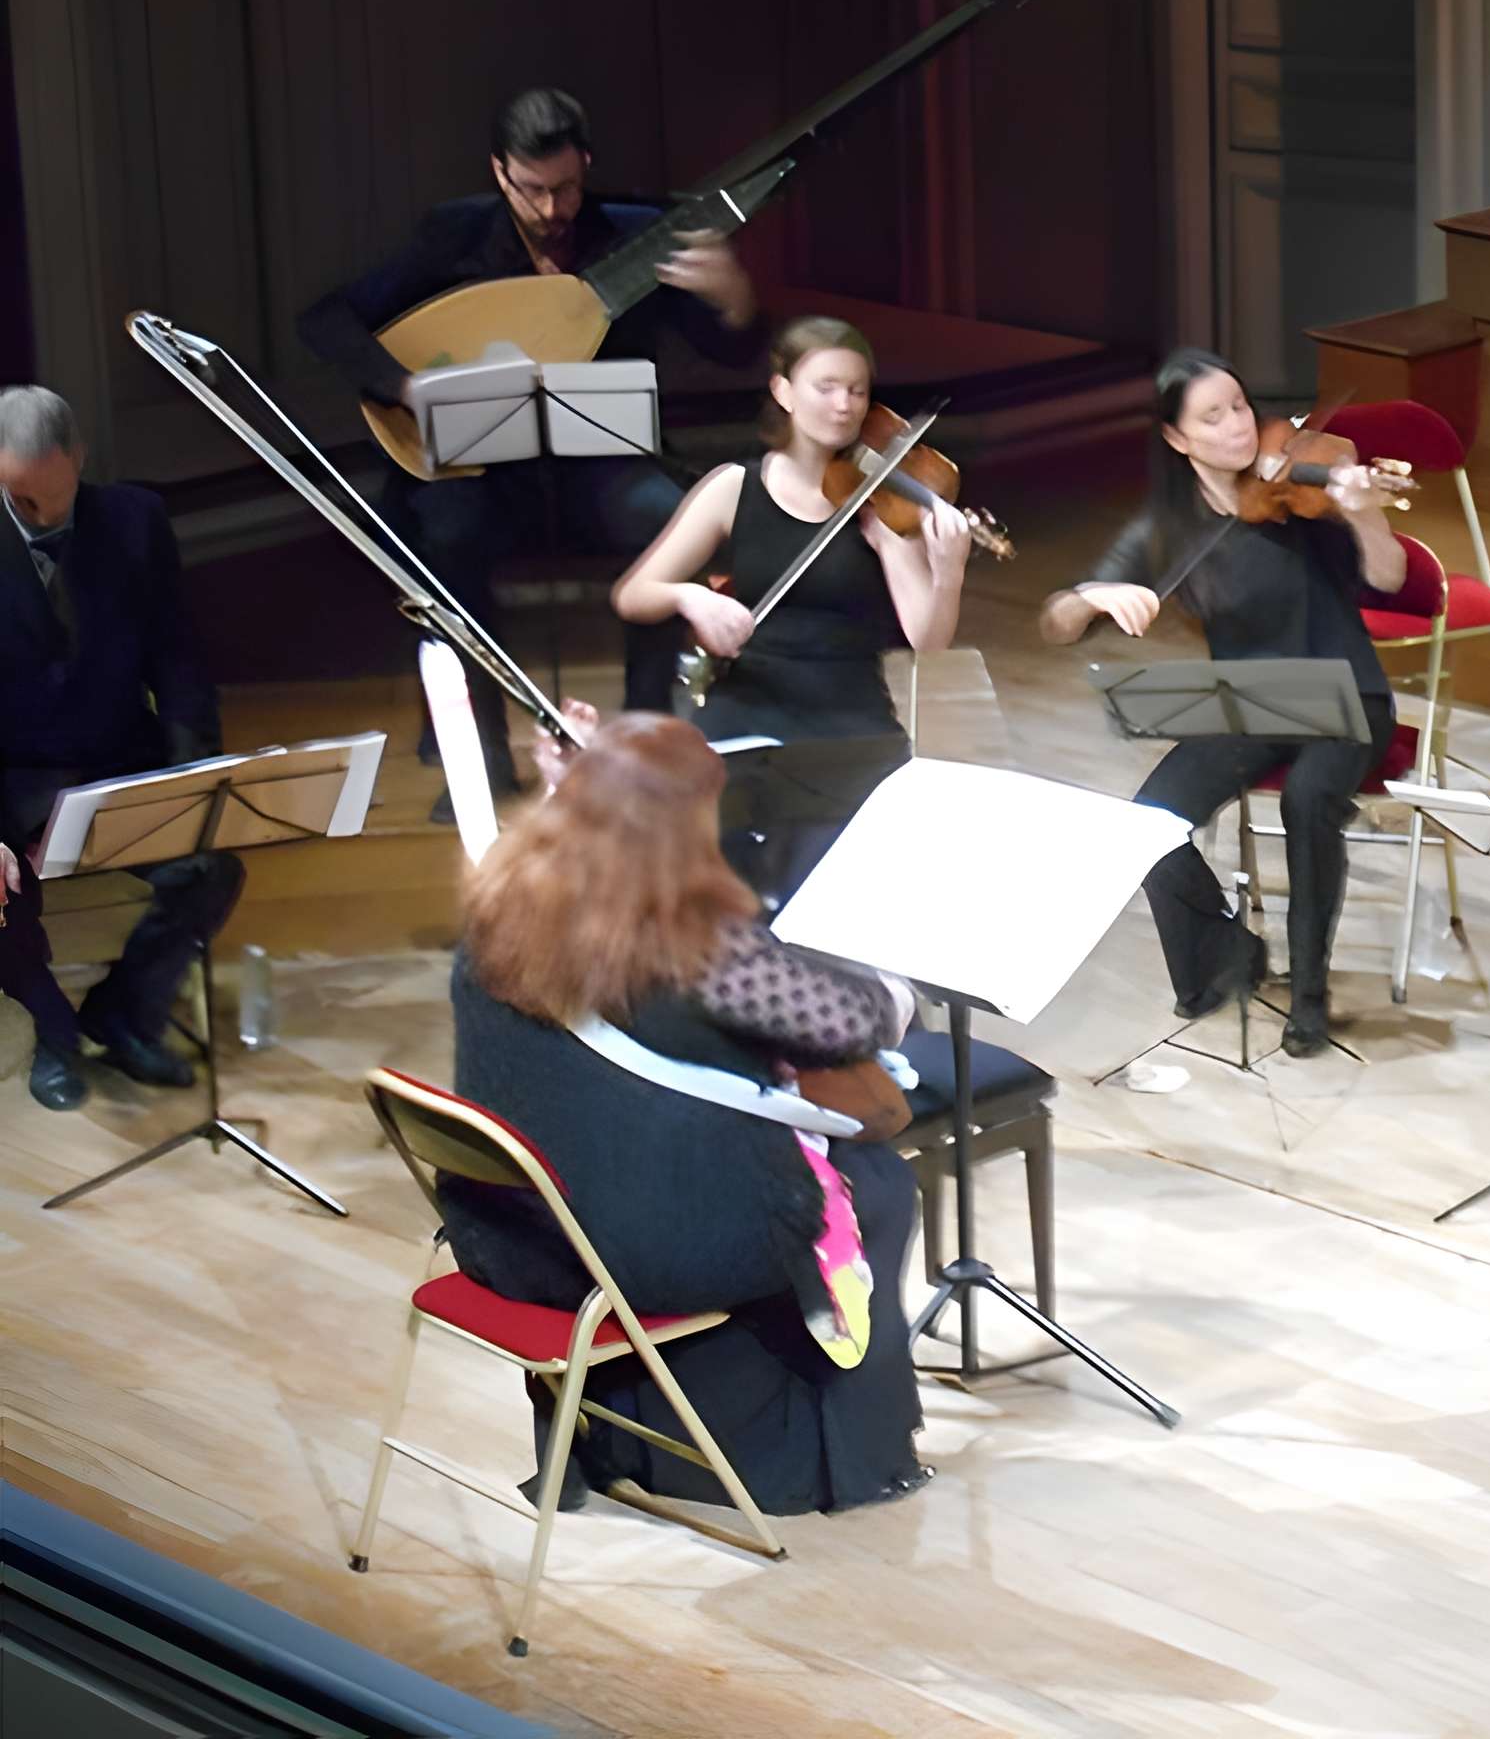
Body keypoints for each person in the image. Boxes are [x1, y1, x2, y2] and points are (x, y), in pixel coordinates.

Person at [441, 709, 929, 1516]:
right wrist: (901, 980)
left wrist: (580, 776)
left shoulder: (501, 892)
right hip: (644, 1255)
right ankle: (838, 1463)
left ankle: (626, 1441)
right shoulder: (684, 943)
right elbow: (857, 1021)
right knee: (876, 1181)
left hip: (515, 1233)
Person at [296, 86, 764, 788]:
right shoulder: (453, 235)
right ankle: (479, 757)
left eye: (568, 189)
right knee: (446, 535)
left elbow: (734, 351)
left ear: (587, 165)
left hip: (599, 457)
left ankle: (643, 736)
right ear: (499, 173)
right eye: (532, 191)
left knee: (668, 518)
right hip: (489, 465)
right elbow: (327, 319)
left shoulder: (637, 236)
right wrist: (403, 385)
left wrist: (734, 297)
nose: (552, 211)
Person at [1038, 349, 1405, 1057]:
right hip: (1250, 705)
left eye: (1240, 406)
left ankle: (1310, 997)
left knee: (1308, 801)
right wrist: (1092, 598)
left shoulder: (1303, 495)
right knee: (1144, 828)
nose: (1239, 426)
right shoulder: (1167, 529)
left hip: (1349, 697)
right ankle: (1227, 951)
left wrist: (1365, 516)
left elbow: (1388, 577)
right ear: (1178, 439)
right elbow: (1055, 620)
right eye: (1213, 416)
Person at [612, 317, 972, 898]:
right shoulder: (734, 488)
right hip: (748, 706)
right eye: (825, 387)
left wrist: (948, 572)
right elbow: (633, 595)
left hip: (850, 716)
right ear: (783, 391)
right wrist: (692, 597)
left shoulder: (882, 504)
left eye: (857, 390)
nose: (844, 405)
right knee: (700, 865)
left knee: (843, 890)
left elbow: (927, 639)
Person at [1, 386, 246, 1111]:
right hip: (12, 768)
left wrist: (202, 776)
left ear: (78, 458)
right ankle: (55, 1034)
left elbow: (178, 661)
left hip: (115, 748)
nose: (39, 519)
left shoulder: (135, 520)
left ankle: (126, 1014)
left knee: (210, 869)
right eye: (17, 501)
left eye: (50, 497)